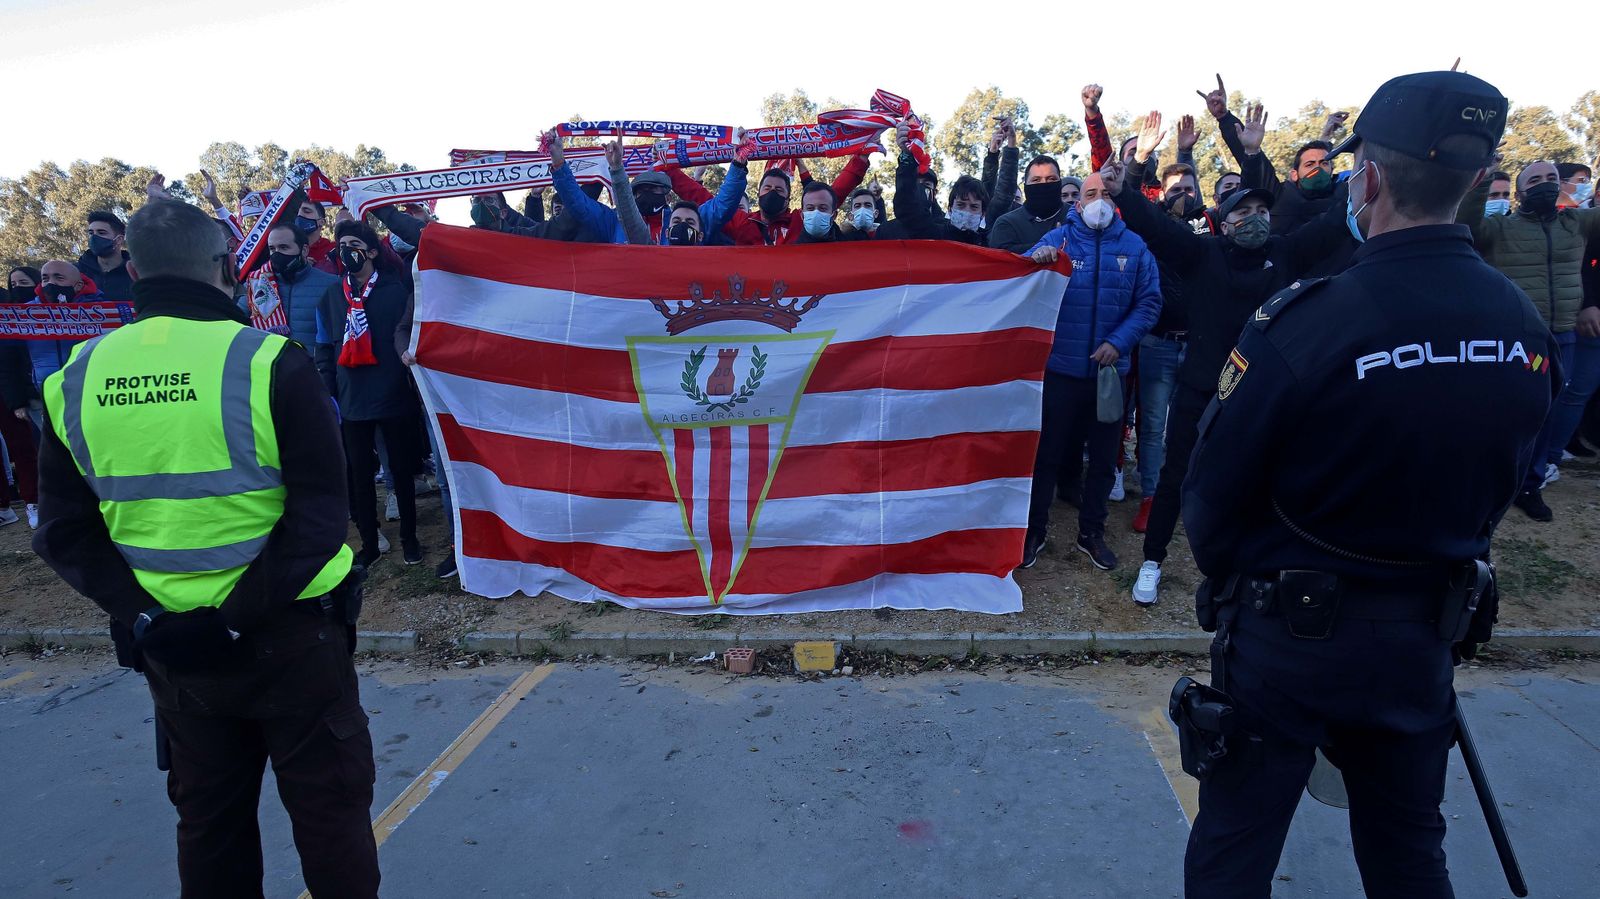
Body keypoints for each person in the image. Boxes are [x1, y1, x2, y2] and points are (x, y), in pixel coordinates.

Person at [1177, 70, 1556, 899]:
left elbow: (1211, 496)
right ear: (1473, 181)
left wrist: (1237, 578)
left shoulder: (1309, 319)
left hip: (1289, 640)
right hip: (1422, 635)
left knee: (1234, 852)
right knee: (1409, 855)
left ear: (1370, 178)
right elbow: (1515, 471)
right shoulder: (1520, 324)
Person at [31, 198, 379, 898]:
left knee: (210, 825)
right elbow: (320, 516)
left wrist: (148, 616)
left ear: (133, 270)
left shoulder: (75, 377)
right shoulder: (267, 361)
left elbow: (64, 531)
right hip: (292, 636)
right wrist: (233, 619)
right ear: (225, 266)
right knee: (330, 817)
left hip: (174, 649)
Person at [1105, 109, 1351, 607]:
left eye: (1261, 211)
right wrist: (1128, 178)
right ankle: (1152, 562)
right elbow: (1152, 223)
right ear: (1224, 219)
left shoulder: (1287, 252)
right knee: (1175, 475)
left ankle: (1251, 564)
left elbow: (1335, 214)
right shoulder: (1203, 254)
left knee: (1261, 479)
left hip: (1264, 394)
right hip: (1202, 387)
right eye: (1242, 212)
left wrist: (1373, 163)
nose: (1254, 218)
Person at [1022, 172, 1162, 571]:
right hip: (1060, 371)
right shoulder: (1059, 239)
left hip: (1109, 375)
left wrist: (1118, 342)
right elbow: (1021, 276)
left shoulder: (1135, 247)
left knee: (1103, 460)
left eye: (1105, 193)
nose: (1098, 200)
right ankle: (1034, 531)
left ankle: (1092, 533)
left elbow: (1149, 303)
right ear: (1078, 202)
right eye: (1090, 193)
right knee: (1046, 456)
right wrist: (1036, 260)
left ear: (1115, 201)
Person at [1458, 159, 1600, 519]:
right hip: (1521, 336)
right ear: (1520, 193)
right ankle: (1489, 478)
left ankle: (1530, 484)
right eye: (1535, 180)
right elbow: (1466, 224)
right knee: (1508, 408)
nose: (1545, 184)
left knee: (1547, 410)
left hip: (1563, 334)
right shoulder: (1501, 229)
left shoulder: (1576, 223)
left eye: (1552, 178)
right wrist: (1482, 177)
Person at [316, 220, 423, 568]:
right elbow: (324, 347)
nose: (345, 251)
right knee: (359, 475)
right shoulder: (331, 297)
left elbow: (409, 335)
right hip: (351, 397)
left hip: (392, 394)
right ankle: (369, 544)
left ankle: (410, 538)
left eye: (353, 245)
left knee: (401, 472)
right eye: (341, 246)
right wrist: (329, 392)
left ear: (372, 252)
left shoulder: (395, 292)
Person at [244, 223, 337, 348]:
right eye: (272, 249)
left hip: (312, 360)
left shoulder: (330, 285)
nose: (277, 254)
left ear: (304, 250)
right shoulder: (255, 283)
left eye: (284, 247)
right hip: (269, 359)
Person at [990, 154, 1068, 253]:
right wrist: (1047, 245)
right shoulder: (1007, 223)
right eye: (1036, 180)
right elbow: (1001, 259)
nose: (1044, 184)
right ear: (1026, 186)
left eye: (1051, 179)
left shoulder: (1076, 216)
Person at [77, 211, 135, 301]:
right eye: (91, 233)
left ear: (119, 240)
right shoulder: (77, 272)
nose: (94, 238)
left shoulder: (135, 272)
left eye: (101, 233)